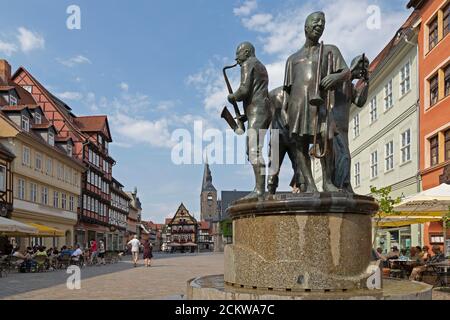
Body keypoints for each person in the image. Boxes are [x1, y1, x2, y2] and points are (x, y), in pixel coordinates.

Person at [281, 11, 351, 192]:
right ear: (306, 27)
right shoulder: (292, 59)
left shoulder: (329, 50)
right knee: (299, 145)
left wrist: (335, 77)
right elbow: (287, 91)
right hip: (298, 105)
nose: (319, 24)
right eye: (315, 21)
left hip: (319, 103)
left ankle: (327, 181)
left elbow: (347, 72)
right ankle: (310, 184)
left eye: (323, 22)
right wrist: (284, 112)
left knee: (325, 138)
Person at [227, 41, 271, 199]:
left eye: (237, 54)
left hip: (258, 111)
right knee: (253, 149)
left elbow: (244, 90)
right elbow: (256, 93)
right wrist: (245, 115)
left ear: (246, 52)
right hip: (261, 110)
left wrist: (233, 97)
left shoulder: (248, 64)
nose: (236, 58)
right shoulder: (261, 66)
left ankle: (260, 190)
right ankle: (260, 188)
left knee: (254, 150)